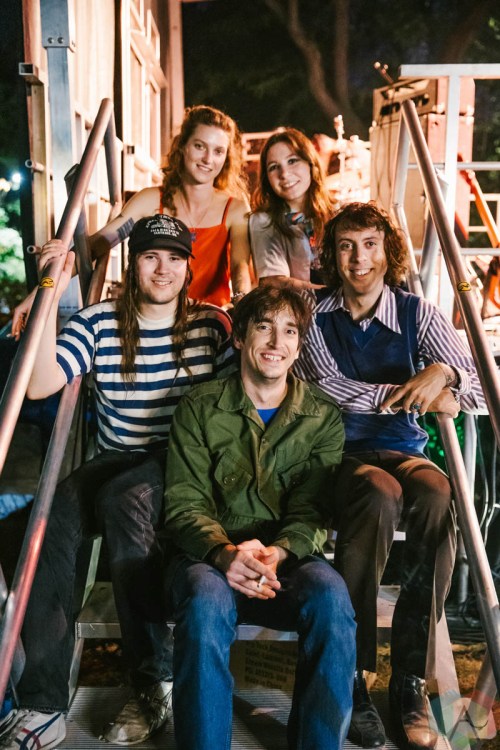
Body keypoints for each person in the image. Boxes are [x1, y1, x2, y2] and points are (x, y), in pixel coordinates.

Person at [0, 214, 234, 750]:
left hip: (181, 459)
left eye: (175, 258)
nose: (163, 268)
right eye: (151, 256)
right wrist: (51, 288)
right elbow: (39, 384)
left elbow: (231, 411)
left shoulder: (210, 326)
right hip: (114, 457)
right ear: (133, 264)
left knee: (127, 502)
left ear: (188, 267)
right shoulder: (98, 321)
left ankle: (152, 680)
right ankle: (44, 703)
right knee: (50, 517)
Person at [295, 202, 486, 750]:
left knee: (440, 494)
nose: (358, 258)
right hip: (335, 453)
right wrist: (417, 393)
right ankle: (353, 676)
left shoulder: (417, 313)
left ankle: (408, 679)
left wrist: (444, 372)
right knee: (378, 495)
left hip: (402, 450)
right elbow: (327, 388)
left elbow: (476, 386)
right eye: (346, 246)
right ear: (331, 255)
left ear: (388, 251)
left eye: (370, 245)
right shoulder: (313, 314)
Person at [163, 284, 356, 750]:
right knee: (205, 601)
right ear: (239, 337)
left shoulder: (322, 416)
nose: (276, 342)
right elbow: (185, 503)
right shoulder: (198, 406)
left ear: (300, 346)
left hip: (285, 562)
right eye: (264, 327)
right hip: (209, 560)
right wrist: (224, 553)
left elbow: (313, 508)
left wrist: (279, 552)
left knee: (332, 598)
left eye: (289, 331)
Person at [11, 105, 252, 340]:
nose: (208, 158)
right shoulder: (151, 200)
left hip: (208, 323)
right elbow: (95, 246)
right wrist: (41, 293)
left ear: (226, 157)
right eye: (200, 146)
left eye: (218, 151)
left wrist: (242, 307)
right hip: (155, 324)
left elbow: (240, 267)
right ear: (183, 146)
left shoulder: (235, 208)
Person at [249, 127, 332, 290]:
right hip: (297, 305)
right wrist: (331, 293)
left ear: (310, 163)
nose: (284, 174)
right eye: (274, 167)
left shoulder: (337, 214)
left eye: (292, 161)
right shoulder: (263, 221)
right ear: (267, 179)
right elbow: (274, 282)